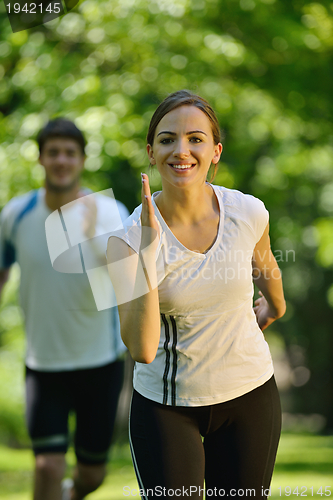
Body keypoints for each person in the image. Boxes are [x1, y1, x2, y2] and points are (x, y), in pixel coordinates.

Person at [107, 90, 286, 499]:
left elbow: (266, 265)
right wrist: (149, 253)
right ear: (151, 153)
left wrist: (275, 306)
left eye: (195, 139)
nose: (181, 150)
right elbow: (142, 348)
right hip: (166, 408)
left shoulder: (249, 212)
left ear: (215, 152)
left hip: (250, 394)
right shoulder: (124, 242)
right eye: (167, 139)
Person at [0, 118, 129, 500]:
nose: (61, 160)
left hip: (101, 363)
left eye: (69, 153)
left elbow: (130, 287)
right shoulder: (15, 215)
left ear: (82, 160)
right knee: (47, 465)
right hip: (44, 365)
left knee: (92, 475)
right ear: (40, 158)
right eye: (53, 152)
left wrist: (90, 235)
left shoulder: (111, 211)